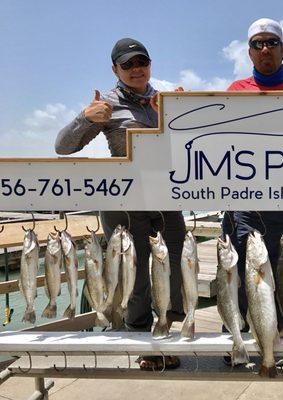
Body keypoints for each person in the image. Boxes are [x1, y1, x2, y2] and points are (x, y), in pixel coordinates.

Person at [55, 38, 186, 371]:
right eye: (127, 64)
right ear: (115, 69)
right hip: (124, 203)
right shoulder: (107, 104)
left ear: (150, 63)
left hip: (166, 197)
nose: (136, 68)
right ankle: (145, 345)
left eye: (141, 61)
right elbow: (62, 148)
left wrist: (181, 116)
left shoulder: (169, 100)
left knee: (174, 271)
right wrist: (87, 118)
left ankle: (167, 335)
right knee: (136, 275)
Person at [220, 18, 283, 366]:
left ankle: (276, 338)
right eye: (258, 43)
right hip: (244, 201)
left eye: (271, 43)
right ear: (249, 51)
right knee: (243, 270)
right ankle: (240, 340)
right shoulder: (235, 89)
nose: (265, 49)